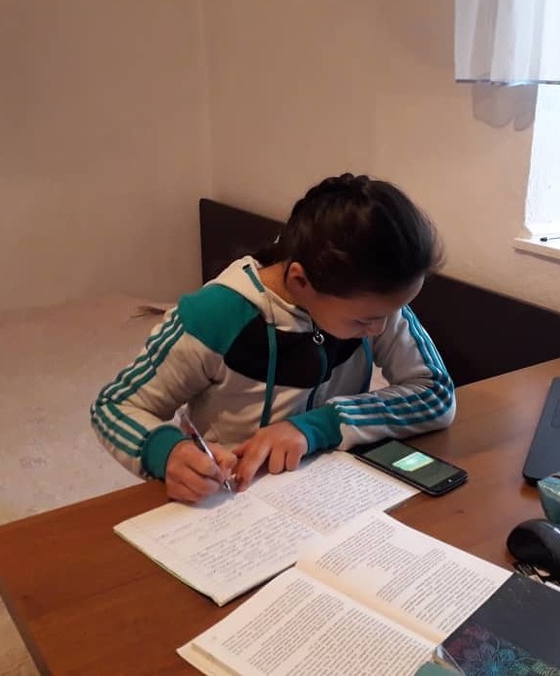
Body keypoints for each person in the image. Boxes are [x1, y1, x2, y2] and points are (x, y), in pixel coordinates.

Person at [90, 173, 455, 503]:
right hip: (232, 498)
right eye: (365, 321)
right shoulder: (214, 315)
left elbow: (436, 392)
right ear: (300, 281)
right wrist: (168, 452)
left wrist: (320, 426)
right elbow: (113, 408)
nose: (381, 329)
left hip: (336, 493)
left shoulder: (376, 301)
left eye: (392, 313)